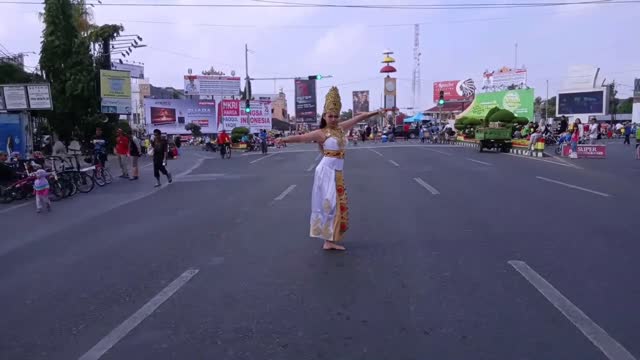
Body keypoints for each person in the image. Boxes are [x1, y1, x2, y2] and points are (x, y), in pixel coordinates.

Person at [275, 87, 379, 251]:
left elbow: (360, 117)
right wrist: (284, 139)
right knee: (329, 205)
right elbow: (301, 138)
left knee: (337, 205)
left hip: (337, 172)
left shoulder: (341, 128)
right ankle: (328, 240)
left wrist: (378, 112)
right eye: (330, 116)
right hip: (326, 172)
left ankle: (330, 238)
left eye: (336, 116)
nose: (333, 118)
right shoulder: (321, 133)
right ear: (324, 116)